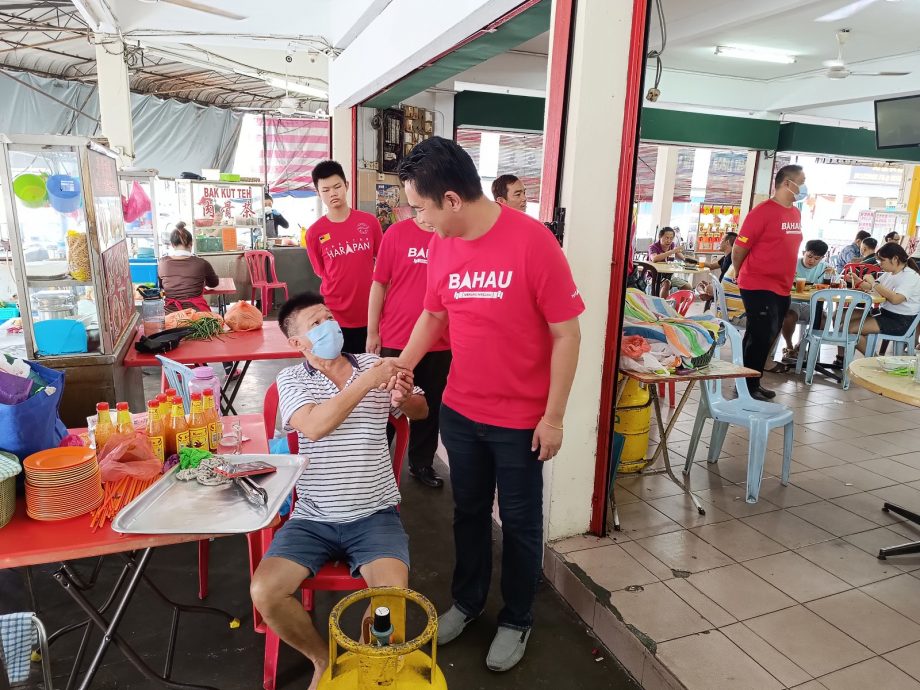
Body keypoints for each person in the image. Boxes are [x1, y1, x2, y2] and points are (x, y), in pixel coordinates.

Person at [388, 137, 584, 671]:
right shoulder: (441, 246)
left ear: (452, 200)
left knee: (520, 524)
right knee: (468, 513)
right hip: (462, 411)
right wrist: (401, 366)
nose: (416, 218)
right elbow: (434, 315)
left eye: (421, 207)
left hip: (521, 422)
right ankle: (469, 602)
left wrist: (554, 417)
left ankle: (517, 617)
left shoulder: (533, 241)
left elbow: (568, 335)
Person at [249, 292, 427, 690]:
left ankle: (363, 668)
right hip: (313, 517)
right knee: (265, 591)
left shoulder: (374, 365)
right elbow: (313, 426)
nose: (330, 325)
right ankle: (325, 660)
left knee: (391, 598)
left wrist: (405, 396)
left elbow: (419, 412)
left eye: (329, 317)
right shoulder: (292, 379)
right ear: (297, 344)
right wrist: (366, 382)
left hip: (375, 515)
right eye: (316, 323)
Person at [367, 216, 451, 489]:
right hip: (397, 336)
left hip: (440, 341)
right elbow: (379, 283)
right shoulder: (397, 233)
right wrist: (372, 331)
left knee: (429, 408)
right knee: (387, 403)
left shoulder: (451, 234)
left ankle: (421, 463)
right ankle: (374, 464)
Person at [732, 164, 805, 402]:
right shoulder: (762, 212)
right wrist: (739, 270)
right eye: (801, 182)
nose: (804, 187)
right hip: (757, 283)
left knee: (767, 333)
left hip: (782, 285)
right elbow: (740, 247)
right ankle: (748, 385)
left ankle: (750, 379)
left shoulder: (795, 213)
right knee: (761, 334)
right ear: (787, 183)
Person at [305, 160, 383, 354]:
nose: (333, 193)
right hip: (334, 314)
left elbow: (382, 263)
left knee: (370, 369)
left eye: (337, 186)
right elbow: (321, 271)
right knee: (340, 370)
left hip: (370, 312)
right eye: (326, 190)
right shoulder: (315, 233)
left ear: (346, 185)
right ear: (318, 192)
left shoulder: (369, 223)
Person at [849, 243, 920, 354]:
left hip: (901, 321)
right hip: (885, 314)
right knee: (844, 316)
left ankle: (875, 360)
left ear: (895, 259)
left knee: (850, 329)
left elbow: (896, 299)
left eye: (882, 260)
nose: (880, 264)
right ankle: (847, 358)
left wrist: (873, 282)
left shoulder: (910, 276)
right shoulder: (890, 273)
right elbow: (874, 288)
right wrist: (858, 280)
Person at [781, 240, 834, 359]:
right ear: (804, 252)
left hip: (813, 304)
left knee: (823, 320)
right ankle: (789, 346)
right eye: (809, 256)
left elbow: (829, 288)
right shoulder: (792, 263)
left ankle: (799, 347)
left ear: (822, 258)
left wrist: (830, 276)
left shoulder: (825, 269)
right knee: (788, 317)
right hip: (793, 302)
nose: (812, 261)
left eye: (817, 258)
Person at [158, 223, 219, 312]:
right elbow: (214, 283)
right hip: (197, 314)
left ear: (172, 244)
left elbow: (161, 285)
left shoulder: (163, 263)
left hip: (170, 314)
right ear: (191, 243)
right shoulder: (201, 263)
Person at [648, 227, 690, 298]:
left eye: (671, 238)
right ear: (660, 237)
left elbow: (683, 258)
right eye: (666, 238)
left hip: (668, 276)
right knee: (667, 283)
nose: (669, 241)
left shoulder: (672, 245)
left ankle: (674, 306)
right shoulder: (653, 247)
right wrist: (672, 251)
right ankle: (663, 307)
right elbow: (654, 259)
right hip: (653, 277)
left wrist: (690, 261)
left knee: (687, 287)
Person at [697, 232, 737, 302]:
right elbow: (711, 266)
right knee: (700, 287)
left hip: (725, 291)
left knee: (700, 288)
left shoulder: (733, 259)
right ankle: (712, 295)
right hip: (721, 288)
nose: (719, 242)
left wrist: (714, 289)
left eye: (721, 240)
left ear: (727, 242)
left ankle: (713, 295)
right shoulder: (725, 257)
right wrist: (694, 261)